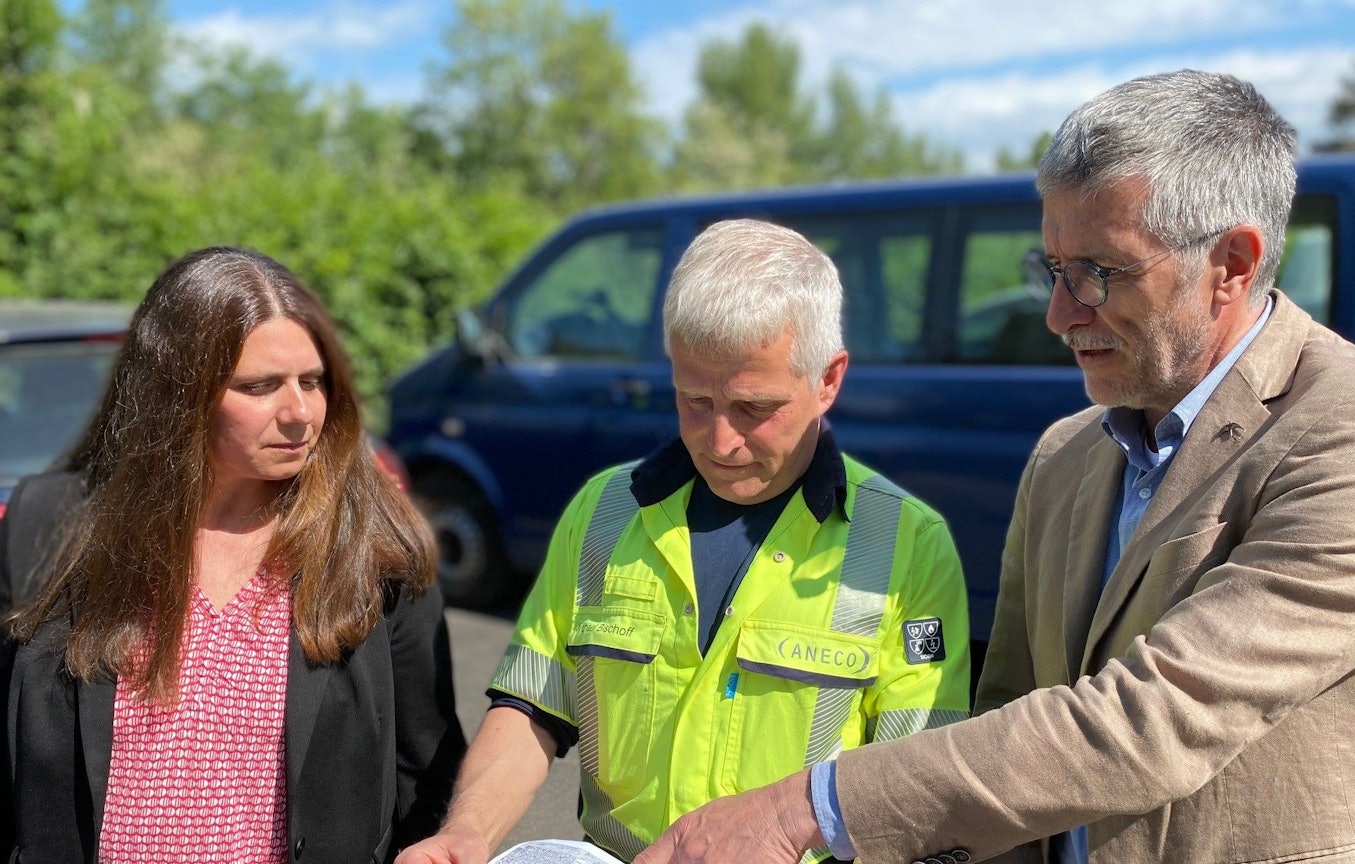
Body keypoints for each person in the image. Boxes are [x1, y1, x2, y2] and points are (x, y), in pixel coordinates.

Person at [633, 70, 1355, 864]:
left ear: (1233, 265)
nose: (1058, 313)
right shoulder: (1067, 453)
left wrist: (799, 810)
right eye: (1055, 269)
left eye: (1101, 274)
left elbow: (1153, 721)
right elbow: (1011, 708)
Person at [397, 218, 971, 864]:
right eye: (694, 400)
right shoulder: (603, 513)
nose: (720, 441)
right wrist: (467, 832)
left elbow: (922, 796)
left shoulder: (905, 546)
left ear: (829, 380)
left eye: (754, 408)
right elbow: (532, 704)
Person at [0, 246, 467, 863]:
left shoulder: (373, 551)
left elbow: (427, 772)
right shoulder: (51, 525)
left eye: (313, 380)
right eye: (259, 386)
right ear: (177, 392)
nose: (300, 412)